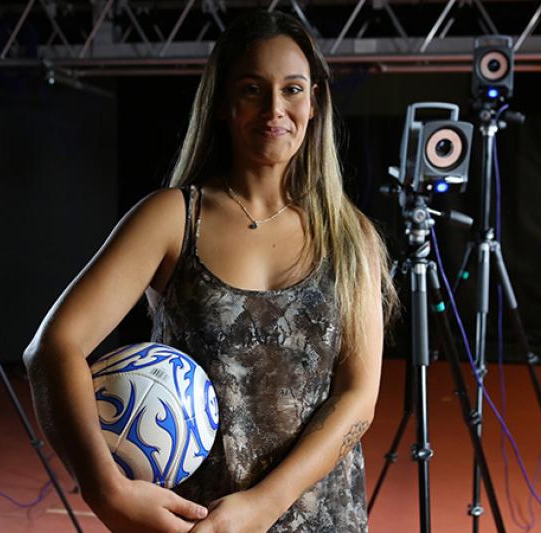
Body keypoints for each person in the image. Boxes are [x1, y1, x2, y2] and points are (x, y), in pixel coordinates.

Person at [23, 9, 397, 533]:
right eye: (252, 88)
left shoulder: (351, 236)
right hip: (193, 523)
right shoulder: (173, 218)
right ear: (222, 103)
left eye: (292, 89)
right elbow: (53, 347)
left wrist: (265, 504)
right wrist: (105, 489)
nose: (275, 108)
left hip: (324, 521)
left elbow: (358, 396)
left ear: (314, 103)